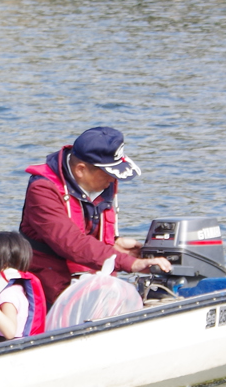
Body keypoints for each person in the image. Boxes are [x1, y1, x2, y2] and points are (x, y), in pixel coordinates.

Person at [18, 126, 170, 307]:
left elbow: (88, 232)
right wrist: (131, 263)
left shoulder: (102, 184)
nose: (114, 180)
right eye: (109, 173)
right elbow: (72, 243)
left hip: (94, 285)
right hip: (50, 289)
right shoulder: (42, 190)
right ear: (81, 169)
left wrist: (115, 244)